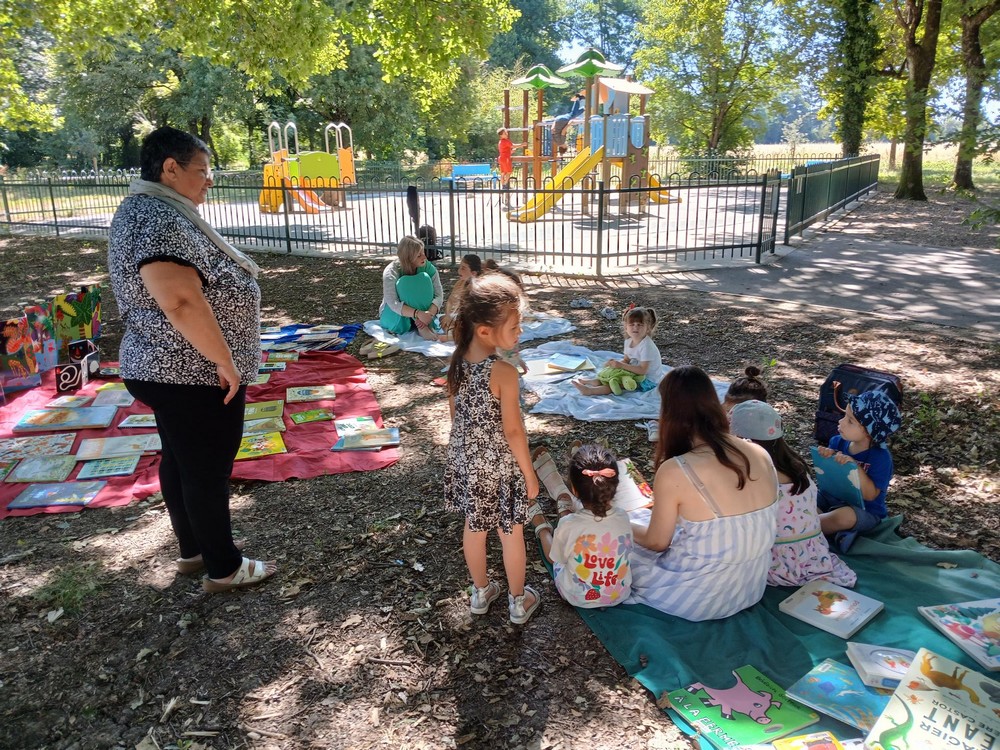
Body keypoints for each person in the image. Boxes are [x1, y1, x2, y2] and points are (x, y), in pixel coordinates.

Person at [108, 126, 276, 593]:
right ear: (170, 169)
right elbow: (180, 301)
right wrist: (225, 362)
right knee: (205, 470)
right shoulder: (157, 219)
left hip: (168, 366)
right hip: (189, 371)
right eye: (202, 171)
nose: (209, 181)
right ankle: (224, 568)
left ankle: (194, 552)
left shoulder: (154, 209)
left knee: (182, 462)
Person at [628, 366, 779, 621]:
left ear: (669, 413)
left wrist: (619, 519)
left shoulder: (677, 470)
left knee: (615, 539)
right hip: (750, 588)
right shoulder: (760, 453)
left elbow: (657, 542)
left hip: (696, 597)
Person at [443, 273, 541, 625]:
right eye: (515, 327)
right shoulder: (503, 372)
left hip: (468, 463)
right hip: (502, 467)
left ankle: (481, 593)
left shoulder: (455, 365)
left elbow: (457, 420)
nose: (520, 333)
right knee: (511, 532)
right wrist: (530, 476)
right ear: (485, 331)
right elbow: (514, 431)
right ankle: (518, 601)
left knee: (474, 527)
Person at [729, 400, 856, 587]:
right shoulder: (795, 465)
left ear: (741, 439)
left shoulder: (752, 473)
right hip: (813, 554)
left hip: (776, 560)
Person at [529, 444, 633, 608]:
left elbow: (555, 558)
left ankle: (542, 527)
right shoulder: (623, 517)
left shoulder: (569, 525)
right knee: (571, 531)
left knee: (557, 553)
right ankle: (565, 510)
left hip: (576, 595)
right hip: (618, 594)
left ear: (575, 491)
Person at [816, 390, 902, 553]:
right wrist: (826, 457)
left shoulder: (881, 458)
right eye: (844, 416)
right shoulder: (837, 442)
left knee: (845, 517)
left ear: (869, 432)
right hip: (830, 499)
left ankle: (805, 529)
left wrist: (855, 467)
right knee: (806, 496)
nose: (841, 422)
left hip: (863, 511)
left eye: (850, 420)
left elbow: (870, 495)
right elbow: (827, 477)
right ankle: (821, 527)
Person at [573, 307, 663, 396]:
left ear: (648, 328)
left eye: (640, 325)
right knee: (611, 374)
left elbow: (643, 370)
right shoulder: (628, 341)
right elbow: (627, 360)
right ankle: (596, 381)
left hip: (647, 379)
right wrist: (614, 364)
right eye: (632, 325)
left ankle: (590, 391)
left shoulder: (647, 346)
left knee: (615, 384)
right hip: (634, 372)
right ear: (626, 327)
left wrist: (621, 365)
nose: (635, 327)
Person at [379, 236, 444, 341]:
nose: (424, 258)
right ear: (408, 258)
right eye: (419, 255)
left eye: (423, 253)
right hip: (397, 316)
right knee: (405, 283)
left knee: (424, 278)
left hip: (425, 316)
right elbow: (392, 303)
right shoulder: (391, 272)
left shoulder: (427, 266)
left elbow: (439, 294)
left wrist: (429, 314)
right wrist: (418, 314)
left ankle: (423, 326)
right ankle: (422, 327)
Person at [439, 254, 483, 341]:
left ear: (473, 273)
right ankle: (454, 334)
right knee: (442, 319)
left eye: (463, 268)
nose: (459, 271)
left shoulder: (479, 287)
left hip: (474, 322)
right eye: (460, 267)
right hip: (460, 319)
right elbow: (450, 301)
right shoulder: (459, 283)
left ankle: (456, 336)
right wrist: (448, 316)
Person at [496, 128, 520, 207]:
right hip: (505, 159)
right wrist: (522, 144)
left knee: (503, 172)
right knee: (509, 172)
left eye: (506, 133)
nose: (506, 134)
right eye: (505, 133)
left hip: (501, 158)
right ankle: (505, 185)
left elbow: (507, 150)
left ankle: (503, 185)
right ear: (501, 135)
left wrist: (512, 151)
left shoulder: (500, 142)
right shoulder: (506, 141)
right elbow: (513, 145)